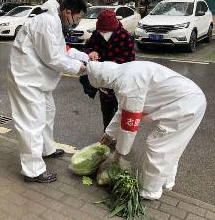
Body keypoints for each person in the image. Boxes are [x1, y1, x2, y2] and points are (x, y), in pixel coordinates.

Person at [86, 61, 206, 199]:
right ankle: (166, 182)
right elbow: (124, 110)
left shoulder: (128, 85)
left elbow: (129, 126)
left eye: (102, 87)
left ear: (103, 81)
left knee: (159, 147)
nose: (105, 90)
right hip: (190, 98)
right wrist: (109, 134)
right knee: (172, 147)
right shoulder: (124, 72)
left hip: (185, 106)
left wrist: (117, 156)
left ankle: (150, 191)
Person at [7, 0, 88, 183]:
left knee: (48, 112)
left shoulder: (53, 22)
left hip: (38, 80)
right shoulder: (47, 22)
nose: (77, 22)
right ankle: (33, 171)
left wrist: (84, 56)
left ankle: (46, 149)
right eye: (78, 18)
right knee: (32, 124)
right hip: (27, 81)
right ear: (68, 12)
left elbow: (63, 50)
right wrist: (80, 68)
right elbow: (54, 58)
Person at [84, 10, 135, 131]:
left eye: (106, 31)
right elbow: (87, 47)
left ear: (114, 28)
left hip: (120, 80)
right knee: (106, 110)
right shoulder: (97, 35)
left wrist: (107, 66)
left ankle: (119, 135)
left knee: (121, 110)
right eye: (101, 31)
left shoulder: (125, 36)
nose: (103, 33)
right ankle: (107, 134)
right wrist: (91, 52)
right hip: (103, 82)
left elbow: (130, 60)